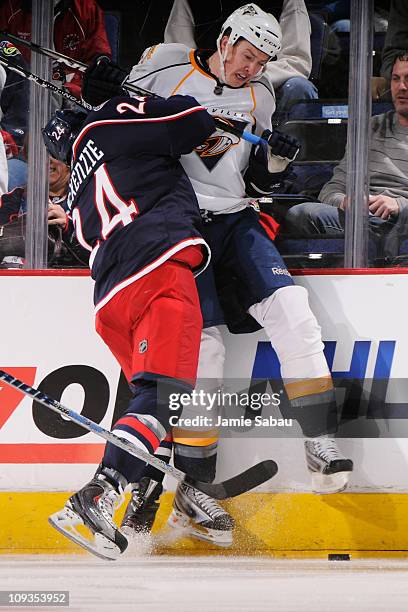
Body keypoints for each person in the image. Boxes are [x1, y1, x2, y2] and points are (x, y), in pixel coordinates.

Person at [82, 3, 353, 548]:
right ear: (224, 41)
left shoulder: (263, 96)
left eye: (261, 62)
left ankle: (320, 439)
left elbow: (248, 170)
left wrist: (275, 161)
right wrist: (101, 83)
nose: (250, 68)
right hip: (179, 221)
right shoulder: (166, 62)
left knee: (291, 310)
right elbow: (113, 124)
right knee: (201, 352)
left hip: (235, 219)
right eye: (246, 56)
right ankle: (194, 483)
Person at [41, 93, 216, 559]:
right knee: (164, 396)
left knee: (151, 403)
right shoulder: (108, 127)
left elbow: (83, 244)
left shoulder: (75, 185)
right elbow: (193, 121)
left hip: (111, 300)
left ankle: (143, 495)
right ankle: (99, 493)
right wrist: (136, 94)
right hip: (158, 270)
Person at [283, 52, 408, 261]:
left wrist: (399, 205)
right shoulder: (371, 126)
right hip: (364, 220)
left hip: (403, 221)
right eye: (396, 79)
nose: (402, 87)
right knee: (300, 214)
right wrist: (346, 202)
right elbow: (332, 188)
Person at [163, 0, 317, 118]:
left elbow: (297, 60)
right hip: (203, 84)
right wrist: (214, 77)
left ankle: (283, 156)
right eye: (247, 56)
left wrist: (252, 76)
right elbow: (179, 53)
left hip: (264, 86)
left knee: (299, 88)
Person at [0, 0, 112, 98]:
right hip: (21, 94)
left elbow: (98, 58)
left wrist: (72, 88)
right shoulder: (11, 8)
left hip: (71, 94)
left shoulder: (86, 8)